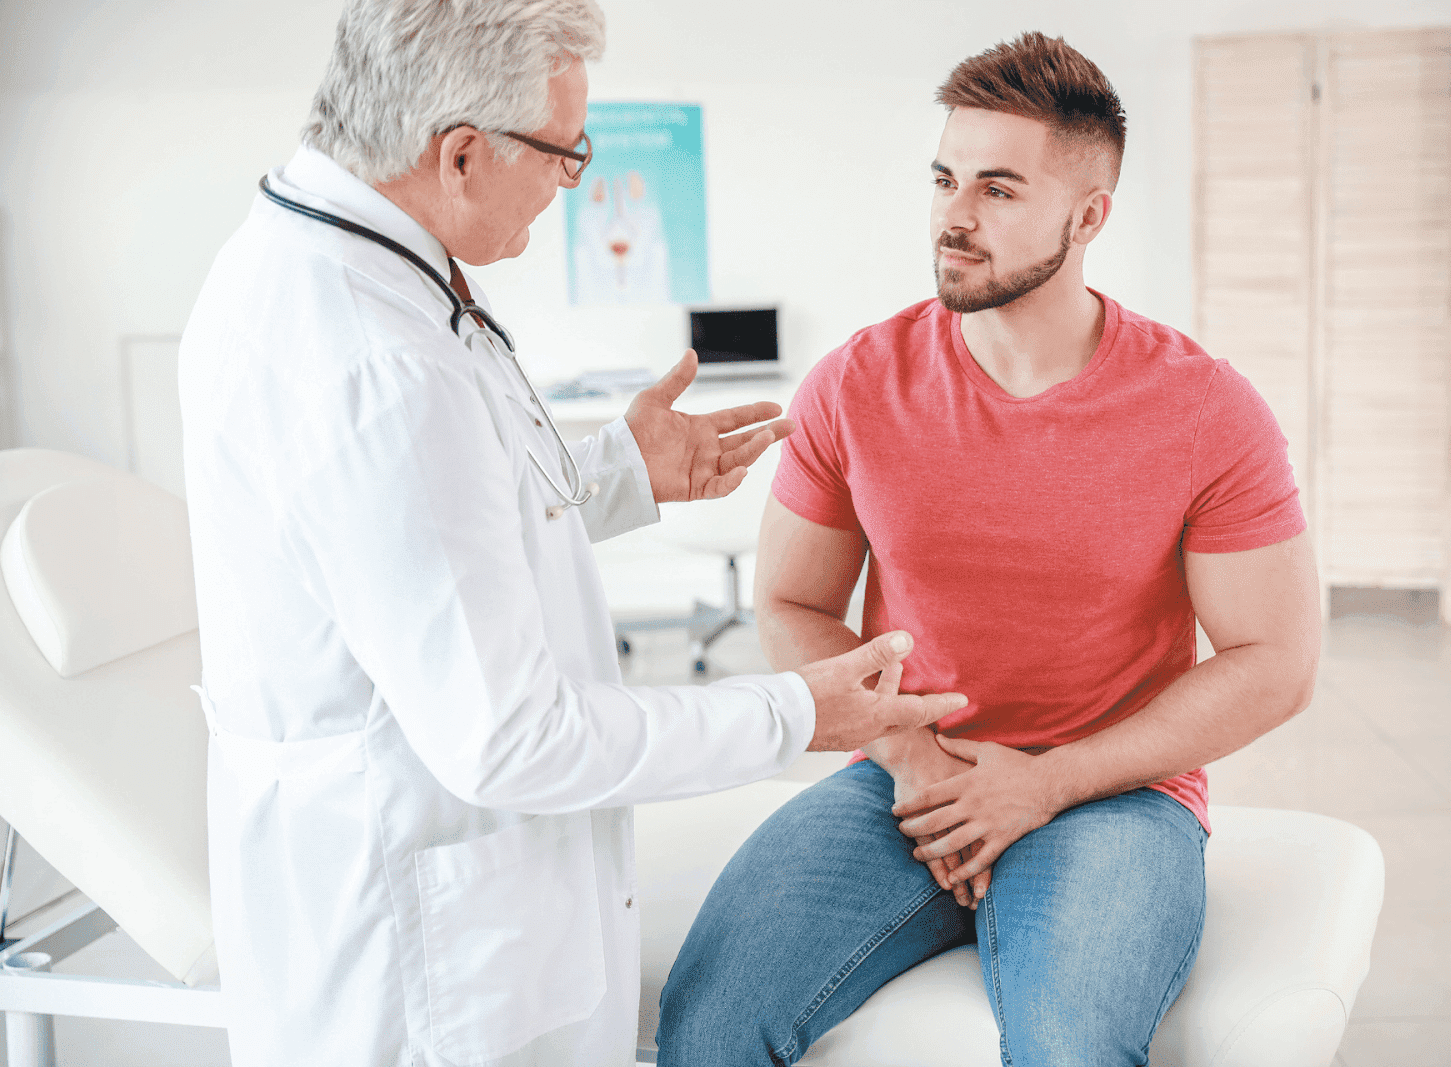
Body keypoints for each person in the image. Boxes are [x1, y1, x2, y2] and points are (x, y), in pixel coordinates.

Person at [177, 2, 964, 1065]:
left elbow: (414, 533)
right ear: (459, 155)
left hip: (432, 882)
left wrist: (616, 474)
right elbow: (510, 738)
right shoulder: (375, 356)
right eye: (565, 153)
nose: (574, 182)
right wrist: (791, 711)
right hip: (421, 957)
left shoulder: (334, 259)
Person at [655, 32, 1321, 1067]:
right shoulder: (855, 383)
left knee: (1070, 1049)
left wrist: (1047, 781)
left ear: (1088, 213)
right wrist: (913, 757)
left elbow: (1274, 659)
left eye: (999, 190)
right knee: (707, 1026)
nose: (954, 217)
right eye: (944, 178)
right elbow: (791, 602)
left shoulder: (1204, 408)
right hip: (904, 780)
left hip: (1113, 793)